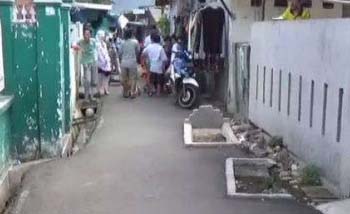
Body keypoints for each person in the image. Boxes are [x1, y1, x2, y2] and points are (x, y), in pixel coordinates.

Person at [77, 28, 97, 101]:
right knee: (87, 80)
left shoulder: (93, 41)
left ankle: (92, 96)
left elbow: (95, 51)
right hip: (85, 63)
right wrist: (79, 48)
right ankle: (86, 97)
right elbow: (73, 44)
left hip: (93, 62)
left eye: (88, 34)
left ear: (90, 35)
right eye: (85, 34)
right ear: (83, 35)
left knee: (93, 80)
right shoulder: (81, 42)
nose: (87, 36)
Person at [119, 29, 140, 98]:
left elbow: (120, 53)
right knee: (133, 78)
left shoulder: (122, 43)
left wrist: (121, 59)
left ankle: (125, 93)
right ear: (131, 34)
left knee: (125, 78)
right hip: (132, 62)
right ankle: (132, 92)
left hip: (124, 62)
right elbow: (138, 51)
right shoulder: (135, 42)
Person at [96, 30, 112, 95]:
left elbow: (106, 52)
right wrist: (103, 61)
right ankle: (99, 90)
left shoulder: (104, 44)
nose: (103, 37)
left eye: (103, 36)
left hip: (106, 62)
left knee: (107, 76)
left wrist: (107, 59)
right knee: (100, 76)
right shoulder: (97, 44)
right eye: (102, 36)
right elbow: (98, 54)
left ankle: (106, 89)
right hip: (100, 62)